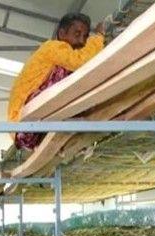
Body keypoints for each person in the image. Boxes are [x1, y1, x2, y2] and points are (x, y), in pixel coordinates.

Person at [8, 13, 106, 150]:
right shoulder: (52, 48)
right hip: (24, 124)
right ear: (61, 33)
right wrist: (99, 37)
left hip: (29, 131)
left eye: (85, 36)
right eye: (77, 34)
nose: (82, 41)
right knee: (76, 71)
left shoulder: (58, 52)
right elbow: (80, 61)